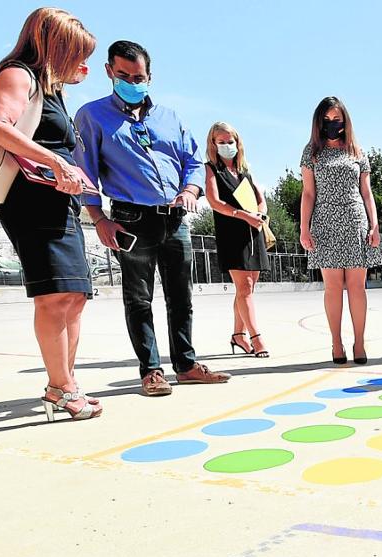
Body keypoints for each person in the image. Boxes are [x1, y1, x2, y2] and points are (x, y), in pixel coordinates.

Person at [74, 40, 229, 396]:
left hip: (175, 219)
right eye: (124, 75)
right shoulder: (92, 116)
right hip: (130, 220)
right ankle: (151, 370)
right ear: (109, 72)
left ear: (150, 76)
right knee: (139, 299)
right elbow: (85, 174)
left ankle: (186, 365)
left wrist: (190, 190)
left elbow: (193, 161)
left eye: (139, 76)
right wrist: (99, 219)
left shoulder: (169, 117)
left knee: (181, 297)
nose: (132, 81)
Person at [0, 8, 100, 421]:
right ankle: (60, 387)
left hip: (59, 203)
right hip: (31, 204)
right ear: (56, 46)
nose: (81, 63)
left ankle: (66, 382)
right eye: (76, 52)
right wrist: (56, 161)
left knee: (74, 297)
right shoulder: (17, 75)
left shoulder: (52, 90)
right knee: (54, 298)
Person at [299, 97, 382, 365]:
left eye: (337, 120)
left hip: (356, 221)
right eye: (326, 121)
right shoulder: (311, 152)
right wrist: (304, 227)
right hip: (325, 223)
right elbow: (308, 193)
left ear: (345, 122)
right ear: (318, 122)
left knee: (357, 287)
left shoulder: (357, 152)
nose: (332, 125)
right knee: (333, 288)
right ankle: (336, 342)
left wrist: (374, 224)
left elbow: (367, 193)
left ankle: (360, 341)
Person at [204, 121, 270, 358]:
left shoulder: (245, 171)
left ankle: (238, 335)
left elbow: (260, 198)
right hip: (232, 233)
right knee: (244, 287)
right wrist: (243, 215)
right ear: (213, 144)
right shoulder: (211, 169)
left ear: (237, 142)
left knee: (247, 288)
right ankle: (256, 337)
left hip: (253, 233)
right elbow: (214, 202)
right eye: (221, 142)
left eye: (229, 141)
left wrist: (260, 214)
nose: (226, 145)